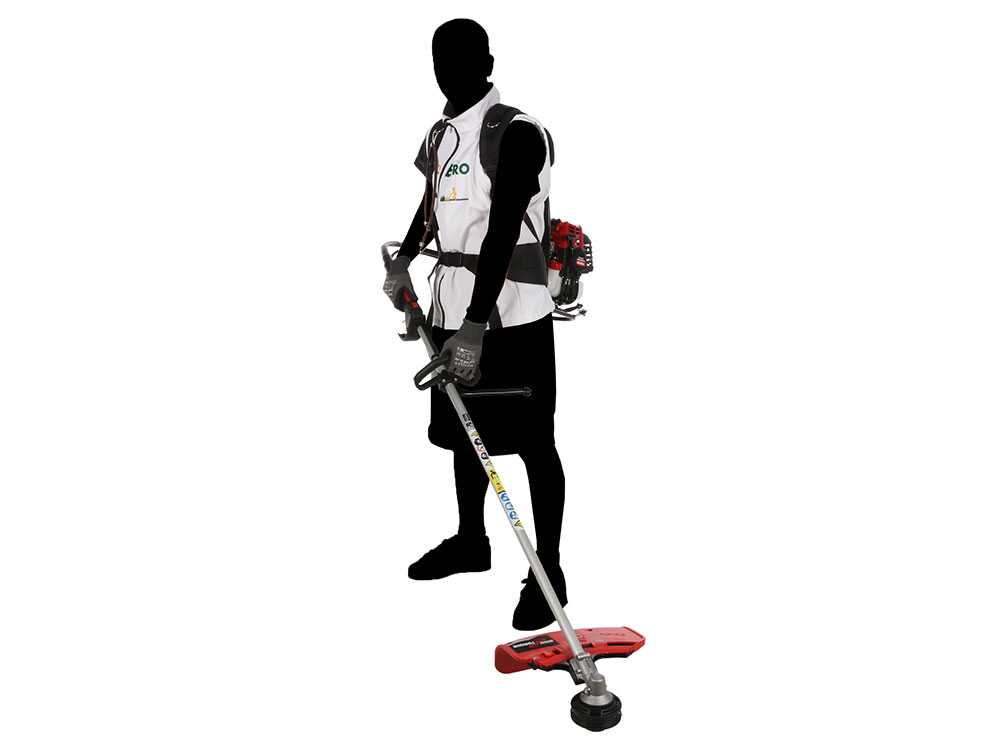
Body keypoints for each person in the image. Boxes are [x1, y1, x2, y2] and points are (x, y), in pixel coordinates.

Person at [383, 18, 566, 631]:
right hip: (451, 307)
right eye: (440, 60)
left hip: (511, 315)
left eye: (462, 59)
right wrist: (405, 261)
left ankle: (550, 570)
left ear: (488, 61)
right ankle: (471, 541)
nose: (449, 71)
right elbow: (429, 205)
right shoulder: (440, 135)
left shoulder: (517, 132)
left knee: (534, 443)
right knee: (465, 431)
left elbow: (505, 227)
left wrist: (475, 325)